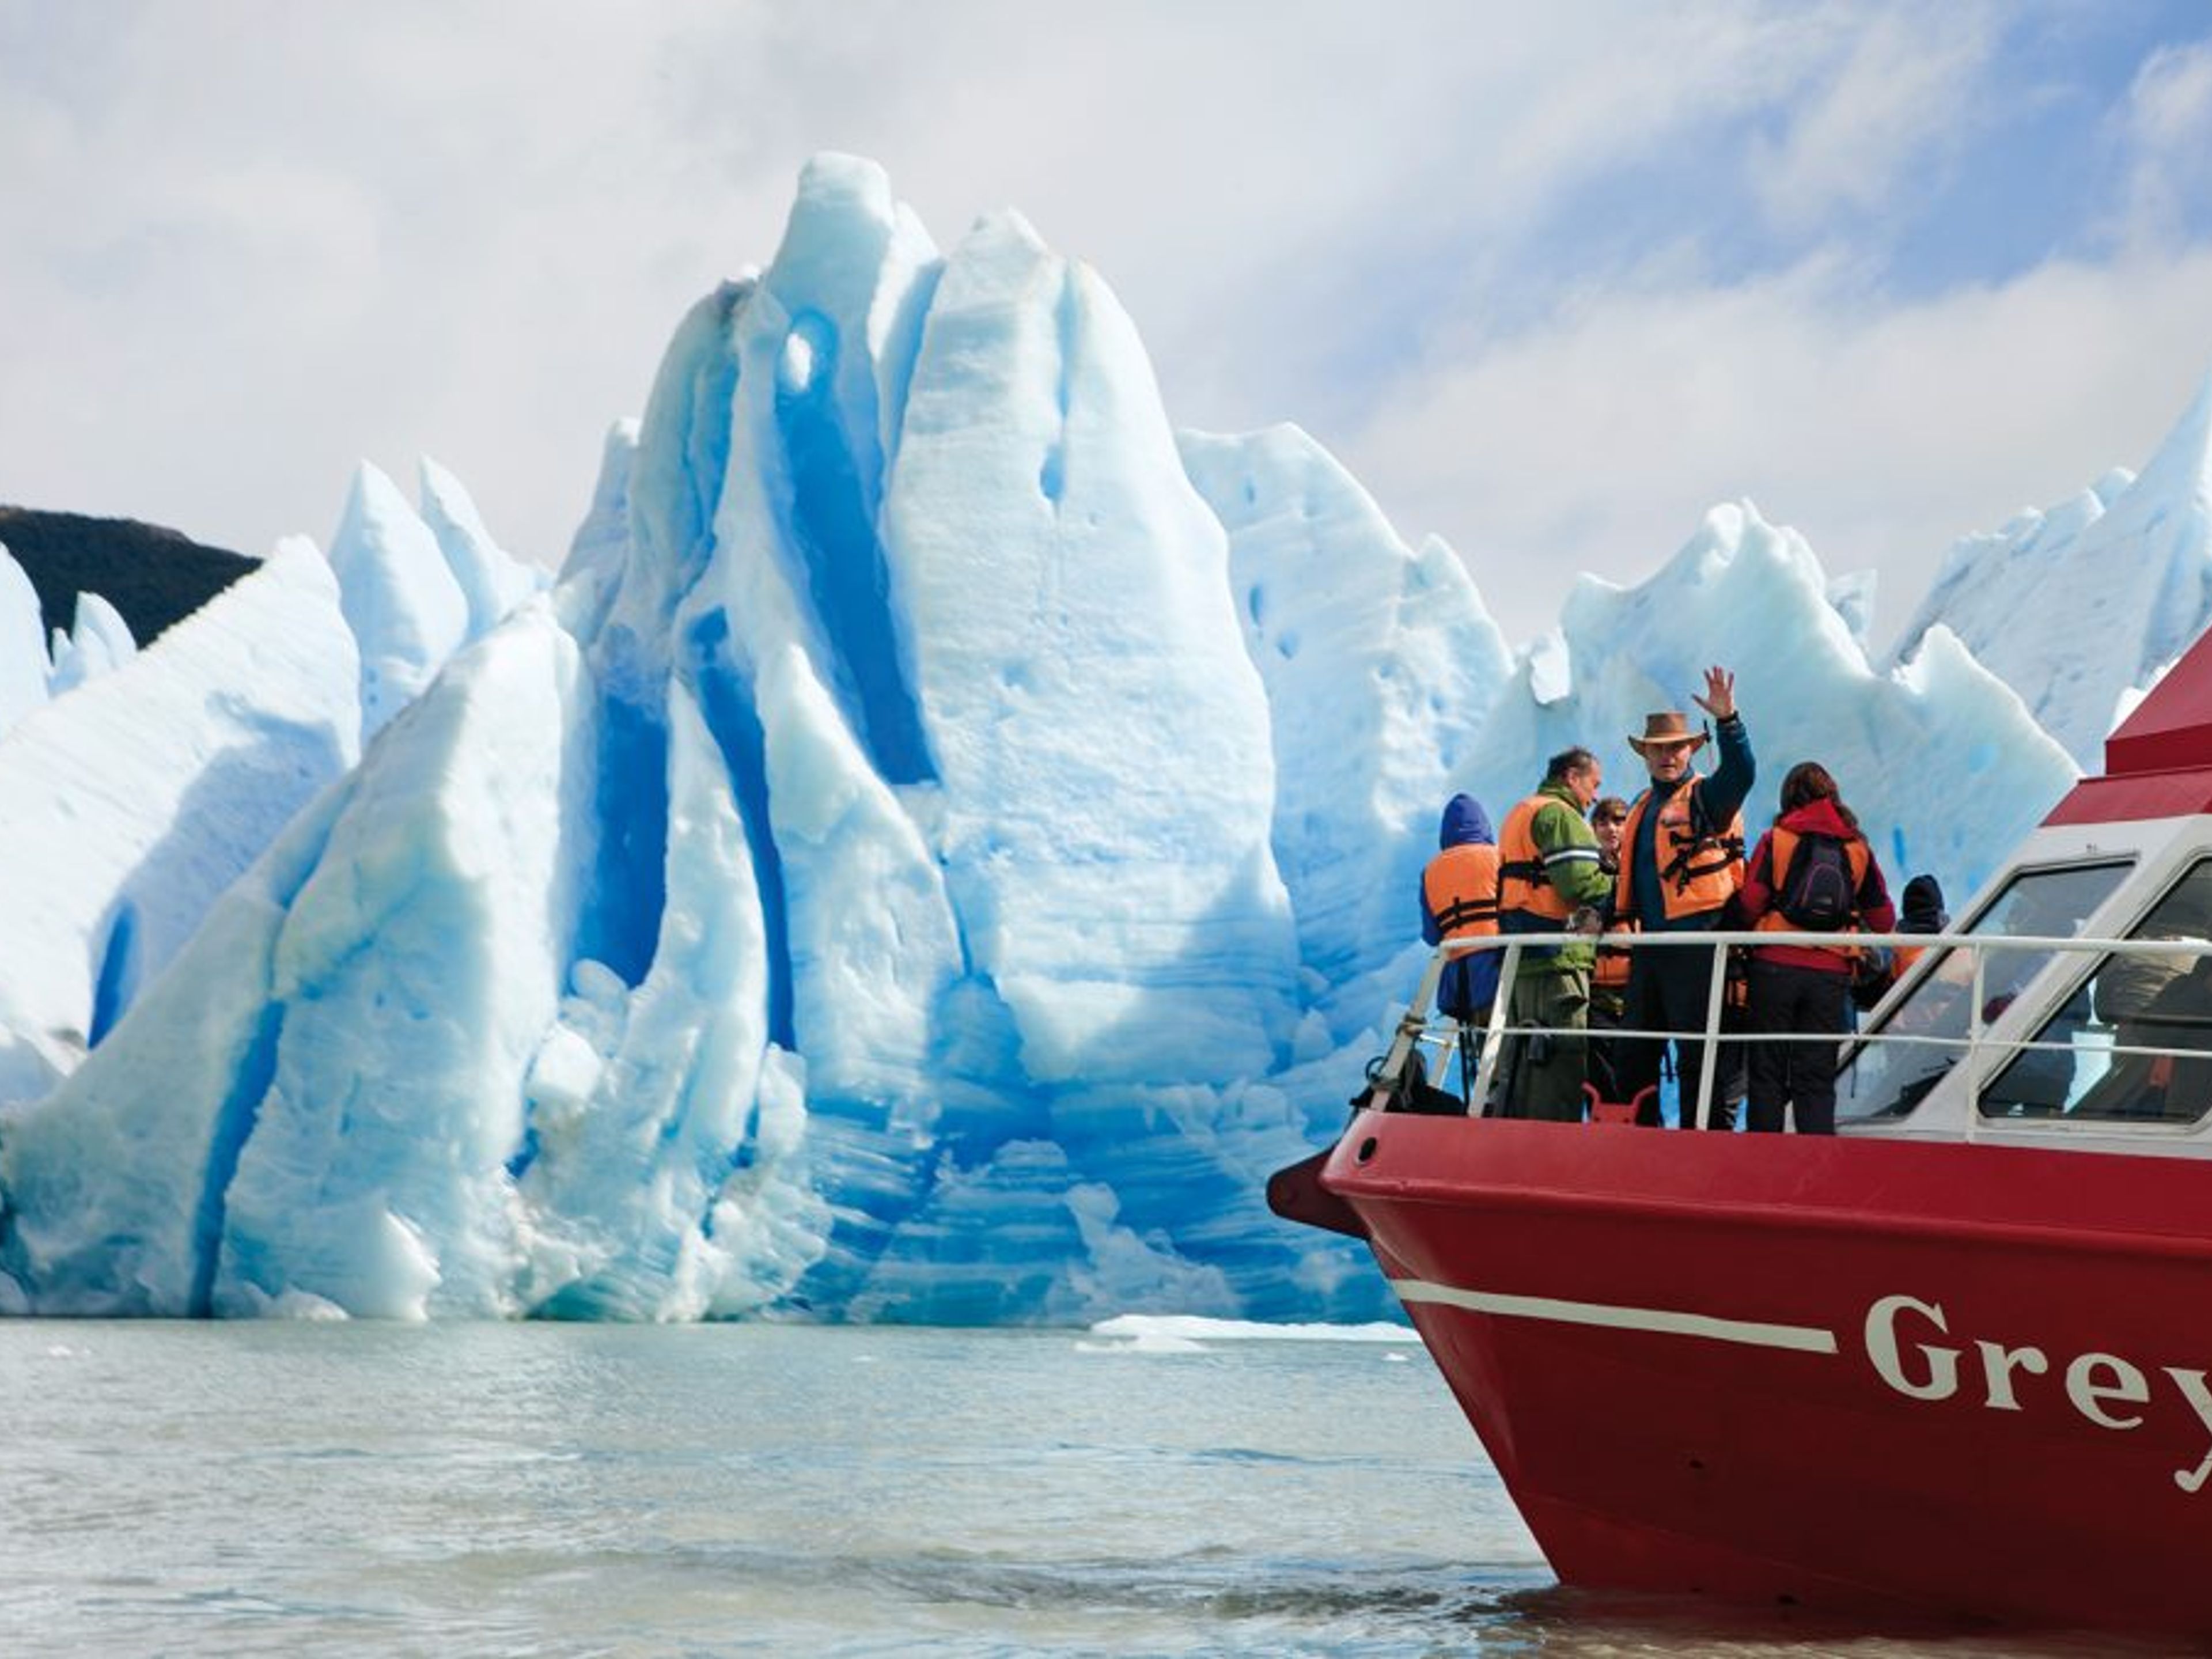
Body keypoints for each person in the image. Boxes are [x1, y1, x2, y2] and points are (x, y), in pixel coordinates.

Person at [1613, 668, 1756, 1128]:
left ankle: (1704, 1138)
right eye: (1658, 749)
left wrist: (1729, 722)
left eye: (1676, 748)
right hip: (1653, 948)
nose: (1667, 756)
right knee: (1633, 1050)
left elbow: (1740, 774)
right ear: (1647, 755)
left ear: (1691, 750)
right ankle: (1642, 1135)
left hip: (1699, 942)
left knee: (1698, 1051)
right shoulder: (1642, 806)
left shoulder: (1705, 799)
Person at [1735, 761, 1896, 1134]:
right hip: (1830, 973)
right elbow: (1885, 919)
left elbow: (1751, 903)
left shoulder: (1777, 839)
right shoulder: (1857, 847)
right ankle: (1814, 1161)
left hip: (1774, 965)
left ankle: (1764, 1158)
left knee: (1767, 1071)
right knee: (1816, 1075)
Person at [1495, 748, 1613, 1120]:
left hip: (1522, 956)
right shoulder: (1560, 815)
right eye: (1593, 785)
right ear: (1571, 777)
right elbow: (1579, 885)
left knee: (1524, 1064)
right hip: (1558, 959)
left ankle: (1515, 1150)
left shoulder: (1521, 811)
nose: (1594, 797)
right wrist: (1622, 887)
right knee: (1561, 1066)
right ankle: (1553, 1152)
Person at [1419, 794, 1500, 1103]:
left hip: (1460, 983)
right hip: (1498, 970)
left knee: (1481, 1056)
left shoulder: (1431, 871)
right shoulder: (1497, 857)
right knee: (1507, 1050)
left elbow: (1431, 934)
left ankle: (1486, 1108)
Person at [1586, 796, 1634, 1107]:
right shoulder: (1586, 872)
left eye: (1618, 821)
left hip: (1634, 989)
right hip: (1598, 992)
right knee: (1601, 1077)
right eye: (1603, 822)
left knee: (1637, 1073)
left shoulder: (1641, 870)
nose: (1611, 829)